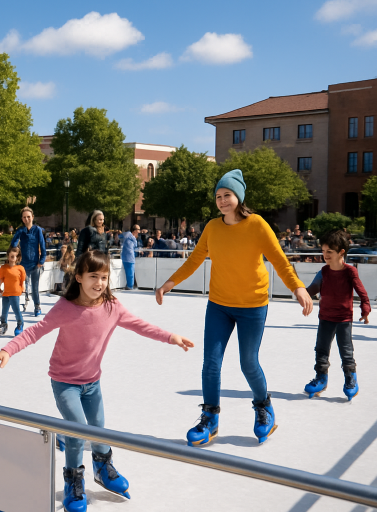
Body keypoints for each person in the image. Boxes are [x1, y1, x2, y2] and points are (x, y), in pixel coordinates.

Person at [0, 251, 193, 510]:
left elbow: (140, 325)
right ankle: (74, 480)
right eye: (93, 276)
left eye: (104, 277)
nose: (99, 283)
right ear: (79, 277)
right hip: (64, 382)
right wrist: (8, 349)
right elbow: (35, 331)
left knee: (98, 429)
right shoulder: (66, 307)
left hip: (92, 382)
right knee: (77, 432)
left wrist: (169, 336)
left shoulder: (112, 307)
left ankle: (102, 466)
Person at [156, 169, 313, 446]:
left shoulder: (257, 225)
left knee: (248, 362)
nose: (222, 200)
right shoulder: (212, 228)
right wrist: (170, 282)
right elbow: (194, 260)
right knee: (211, 363)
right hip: (219, 305)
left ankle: (264, 407)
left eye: (227, 195)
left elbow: (279, 259)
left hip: (253, 305)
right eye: (218, 196)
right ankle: (210, 418)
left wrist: (298, 286)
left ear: (238, 197)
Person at [303, 230, 369, 401]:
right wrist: (301, 293)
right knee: (321, 349)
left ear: (341, 252)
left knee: (346, 351)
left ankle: (350, 379)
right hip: (325, 317)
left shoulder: (350, 272)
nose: (325, 255)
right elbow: (312, 289)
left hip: (344, 319)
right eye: (323, 251)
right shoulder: (324, 272)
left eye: (329, 252)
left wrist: (365, 308)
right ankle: (321, 378)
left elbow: (361, 292)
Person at [10, 207, 46, 316]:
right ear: (22, 219)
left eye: (28, 217)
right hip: (23, 264)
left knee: (35, 287)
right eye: (24, 217)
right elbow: (14, 243)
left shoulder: (37, 230)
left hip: (35, 264)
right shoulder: (20, 230)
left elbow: (42, 245)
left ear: (32, 217)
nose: (27, 219)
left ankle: (37, 305)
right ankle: (21, 303)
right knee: (21, 286)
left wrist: (42, 260)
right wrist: (15, 250)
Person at [0, 246, 27, 336]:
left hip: (15, 293)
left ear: (17, 257)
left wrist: (23, 289)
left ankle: (20, 324)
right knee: (4, 311)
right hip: (6, 293)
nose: (13, 258)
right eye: (11, 256)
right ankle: (3, 323)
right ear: (8, 256)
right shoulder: (3, 268)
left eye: (15, 256)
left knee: (16, 310)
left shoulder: (20, 268)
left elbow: (22, 280)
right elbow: (0, 279)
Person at [121, 225, 139, 290]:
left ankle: (130, 286)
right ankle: (130, 286)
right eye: (138, 230)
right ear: (135, 230)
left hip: (127, 257)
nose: (139, 231)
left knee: (129, 273)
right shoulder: (129, 235)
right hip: (129, 257)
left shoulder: (129, 236)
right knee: (130, 273)